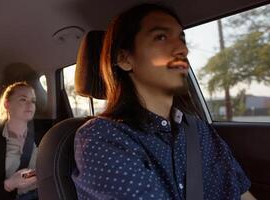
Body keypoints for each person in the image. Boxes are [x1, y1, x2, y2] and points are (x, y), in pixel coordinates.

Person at [72, 3, 256, 200]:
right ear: (125, 59)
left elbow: (243, 194)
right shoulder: (102, 137)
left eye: (182, 38)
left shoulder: (200, 130)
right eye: (160, 37)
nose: (182, 49)